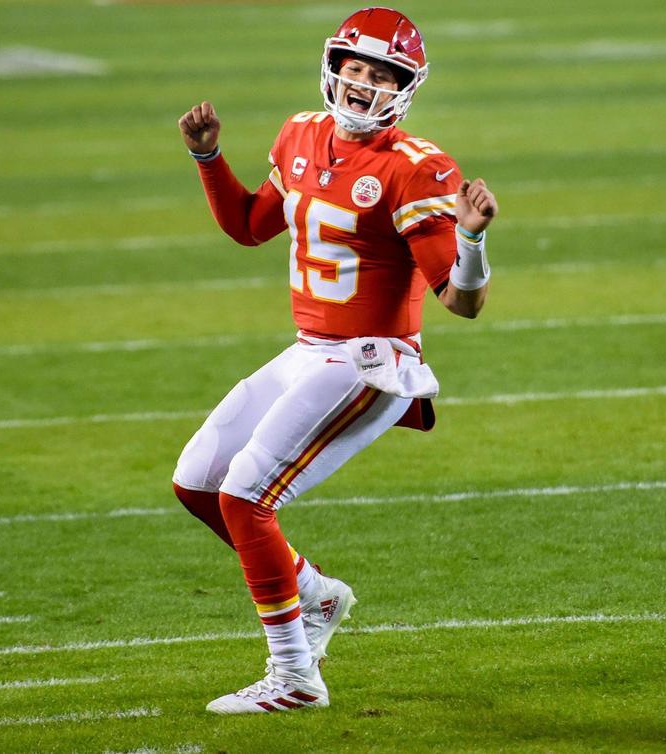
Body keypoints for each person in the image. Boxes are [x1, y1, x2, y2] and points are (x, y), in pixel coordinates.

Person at [171, 7, 498, 714]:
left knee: (246, 497)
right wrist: (209, 158)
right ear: (333, 69)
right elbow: (249, 227)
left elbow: (461, 302)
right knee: (197, 482)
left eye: (383, 75)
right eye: (356, 68)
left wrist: (471, 240)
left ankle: (294, 676)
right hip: (310, 350)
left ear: (405, 89)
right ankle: (314, 596)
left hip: (371, 360)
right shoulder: (300, 132)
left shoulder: (417, 167)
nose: (365, 83)